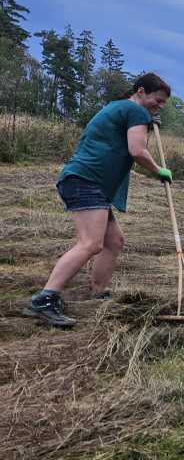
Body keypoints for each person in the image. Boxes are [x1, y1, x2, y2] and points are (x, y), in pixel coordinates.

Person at [23, 73, 173, 327]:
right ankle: (45, 299)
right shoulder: (133, 111)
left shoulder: (122, 109)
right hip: (86, 180)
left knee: (113, 241)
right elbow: (137, 150)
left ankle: (98, 293)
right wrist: (159, 170)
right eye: (157, 100)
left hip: (89, 183)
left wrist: (146, 119)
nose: (159, 106)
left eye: (163, 104)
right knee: (90, 243)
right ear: (140, 91)